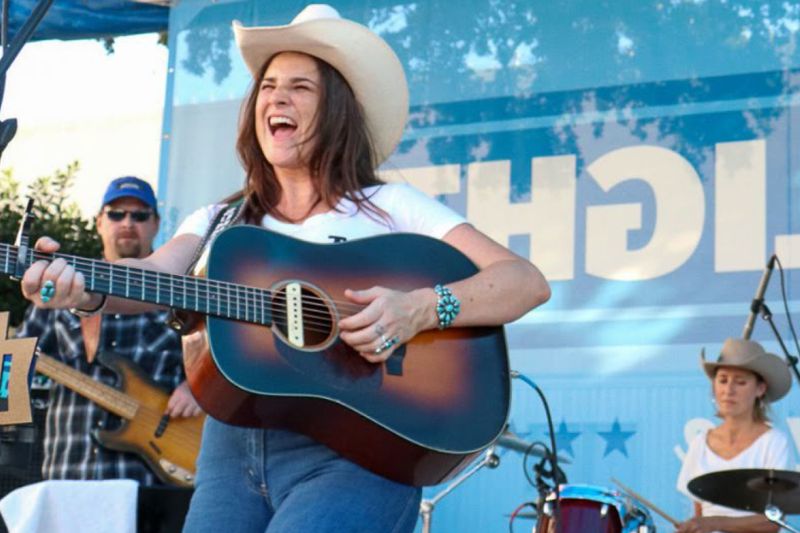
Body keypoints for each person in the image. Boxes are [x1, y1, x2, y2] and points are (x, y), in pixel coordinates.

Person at [18, 5, 551, 532]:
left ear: (337, 109)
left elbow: (524, 282)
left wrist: (417, 309)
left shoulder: (390, 206)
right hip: (228, 452)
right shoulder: (220, 220)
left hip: (357, 453)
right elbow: (157, 279)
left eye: (300, 87)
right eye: (268, 85)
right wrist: (82, 287)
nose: (276, 96)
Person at [15, 176, 201, 485]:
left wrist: (199, 390)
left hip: (151, 482)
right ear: (100, 222)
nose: (128, 222)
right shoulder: (61, 286)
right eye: (116, 213)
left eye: (140, 215)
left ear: (156, 224)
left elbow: (221, 367)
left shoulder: (179, 298)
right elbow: (11, 371)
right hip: (68, 476)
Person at [675, 338, 793, 533]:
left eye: (740, 382)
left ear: (760, 389)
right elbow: (699, 514)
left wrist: (715, 523)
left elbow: (774, 521)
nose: (729, 390)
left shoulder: (773, 442)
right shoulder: (700, 444)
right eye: (722, 380)